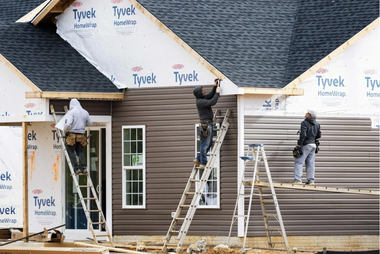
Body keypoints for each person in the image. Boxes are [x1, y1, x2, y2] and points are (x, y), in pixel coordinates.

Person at [192, 79, 221, 169]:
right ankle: (203, 162)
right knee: (205, 144)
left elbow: (210, 95)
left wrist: (215, 87)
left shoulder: (202, 99)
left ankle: (198, 159)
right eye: (202, 90)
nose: (204, 91)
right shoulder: (200, 102)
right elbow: (212, 102)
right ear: (200, 93)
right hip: (206, 124)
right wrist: (217, 93)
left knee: (207, 144)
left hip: (207, 124)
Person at [291, 109, 321, 185]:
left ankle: (297, 180)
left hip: (306, 144)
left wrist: (299, 144)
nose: (306, 113)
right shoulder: (317, 124)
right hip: (313, 145)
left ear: (310, 115)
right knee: (310, 163)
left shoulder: (304, 123)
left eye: (307, 113)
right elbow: (319, 135)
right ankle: (311, 181)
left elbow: (303, 135)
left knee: (299, 162)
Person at [64, 99, 93, 174]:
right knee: (79, 152)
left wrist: (65, 130)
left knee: (71, 151)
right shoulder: (85, 112)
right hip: (81, 136)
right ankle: (84, 167)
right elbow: (90, 123)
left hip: (72, 135)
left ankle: (76, 168)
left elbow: (67, 124)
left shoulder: (72, 112)